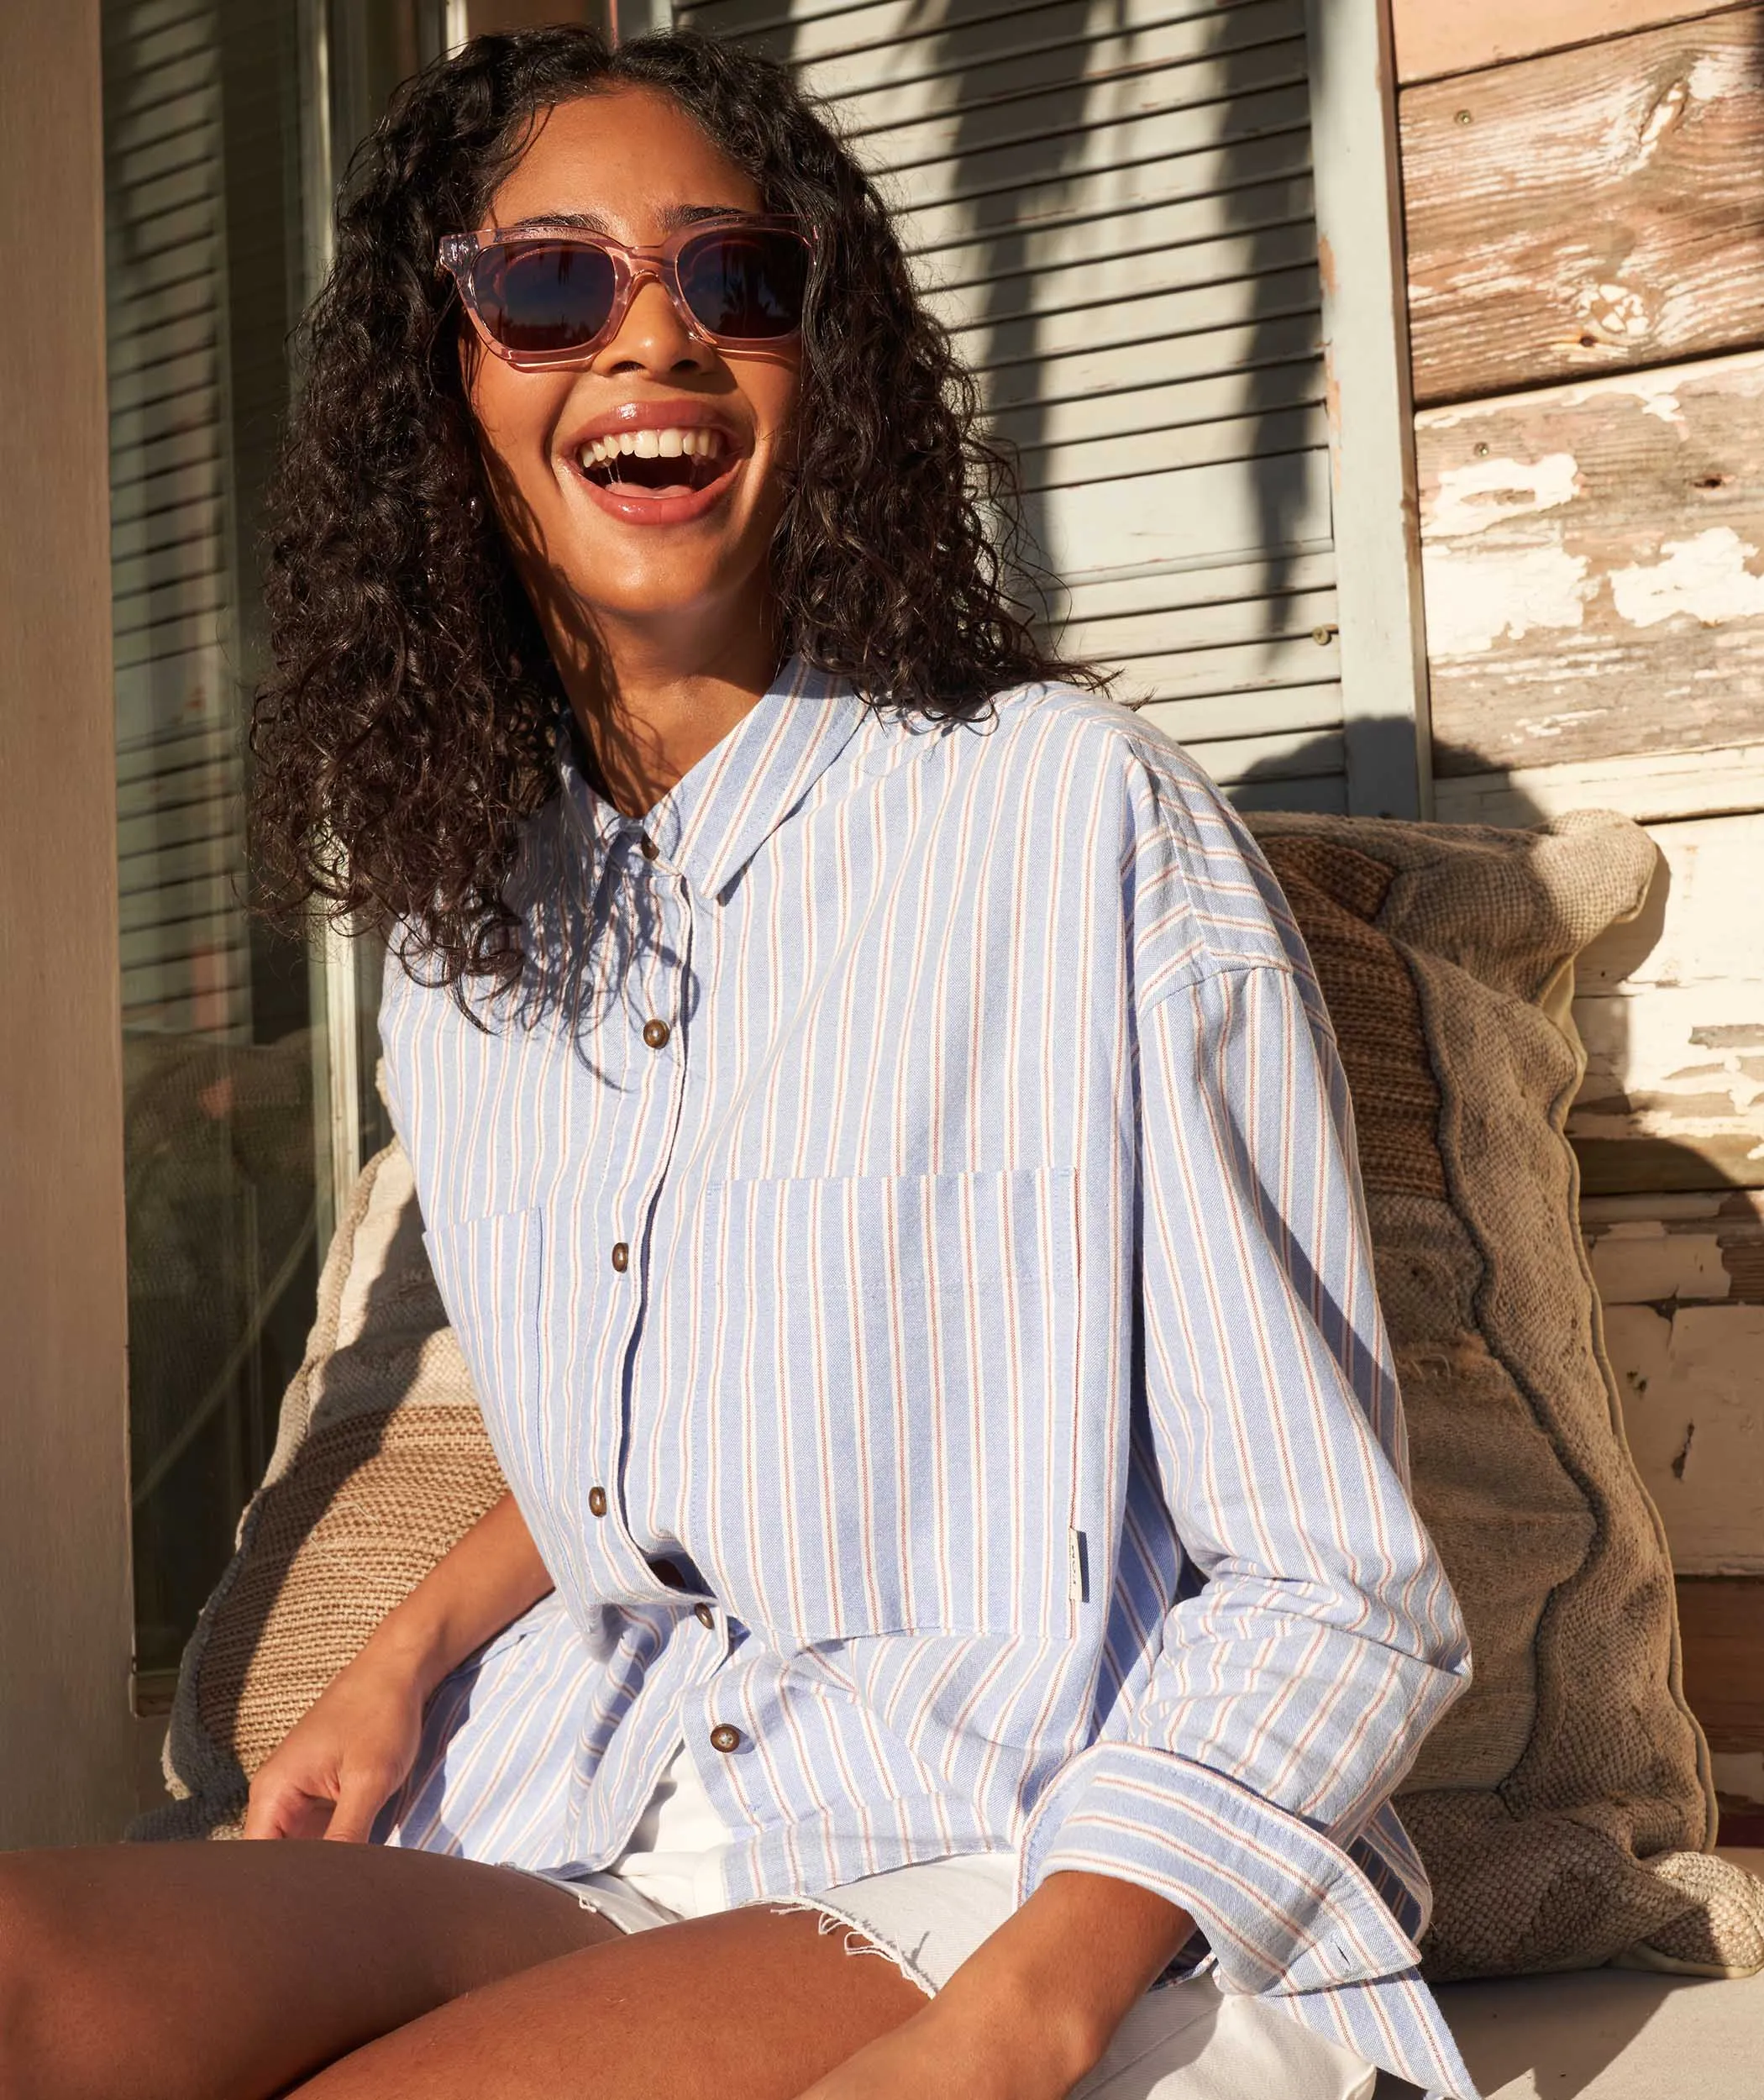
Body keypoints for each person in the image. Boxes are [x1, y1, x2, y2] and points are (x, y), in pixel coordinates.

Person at [0, 27, 1478, 2100]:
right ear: (443, 389)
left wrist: (1010, 2026)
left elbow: (1334, 1577)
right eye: (547, 285)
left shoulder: (1069, 825)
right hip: (572, 1797)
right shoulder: (463, 929)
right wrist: (404, 1655)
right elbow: (690, 1401)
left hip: (994, 1843)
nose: (654, 340)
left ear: (822, 366)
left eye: (736, 279)